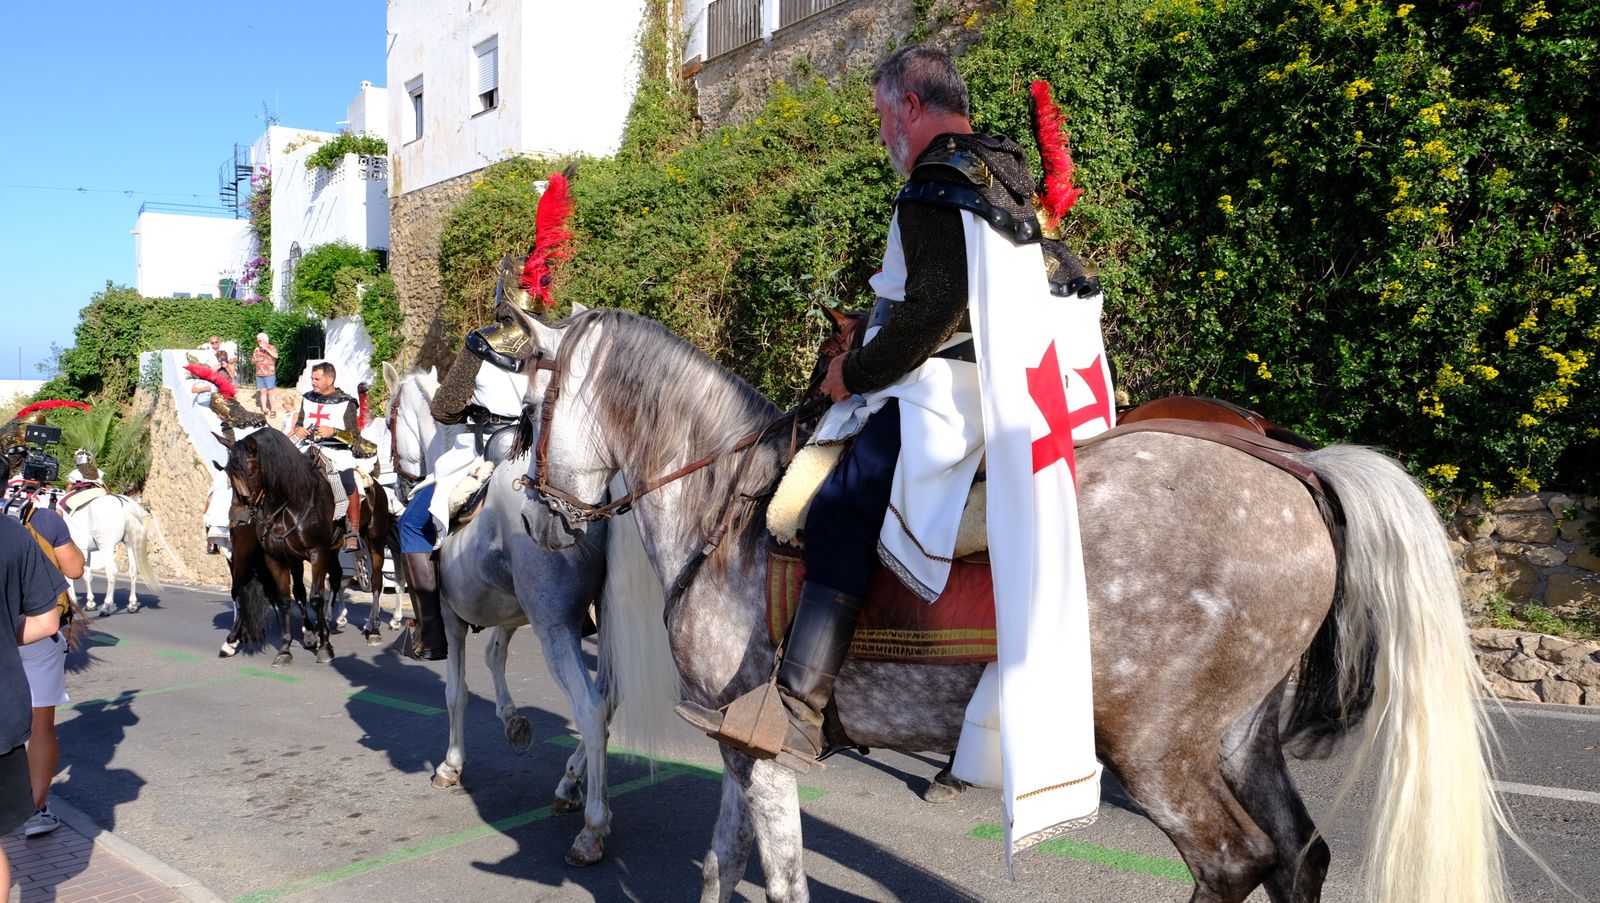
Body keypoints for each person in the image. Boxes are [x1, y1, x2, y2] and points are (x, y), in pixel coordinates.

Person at [677, 45, 1099, 773]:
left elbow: (930, 310)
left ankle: (802, 709)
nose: (880, 135)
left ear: (910, 105)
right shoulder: (1003, 173)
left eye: (881, 116)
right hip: (1017, 387)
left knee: (839, 501)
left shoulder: (938, 181)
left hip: (952, 395)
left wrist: (853, 371)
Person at [8, 489, 84, 837]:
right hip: (36, 631)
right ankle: (35, 811)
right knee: (41, 724)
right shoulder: (45, 518)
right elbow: (75, 568)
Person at [1, 500, 69, 889]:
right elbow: (48, 617)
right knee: (43, 725)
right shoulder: (27, 525)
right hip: (5, 701)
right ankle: (37, 809)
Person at [290, 362, 362, 550]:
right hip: (307, 446)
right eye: (312, 378)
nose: (312, 382)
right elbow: (299, 422)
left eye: (317, 379)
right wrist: (299, 430)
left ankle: (352, 530)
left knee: (347, 480)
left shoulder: (346, 402)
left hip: (335, 450)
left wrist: (333, 432)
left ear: (329, 380)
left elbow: (354, 436)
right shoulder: (307, 398)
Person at [253, 333, 279, 415]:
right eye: (257, 340)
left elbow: (276, 356)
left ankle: (273, 409)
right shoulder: (257, 349)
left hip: (269, 373)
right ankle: (264, 409)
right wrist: (254, 358)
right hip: (259, 373)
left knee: (270, 391)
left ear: (265, 340)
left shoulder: (272, 347)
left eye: (259, 340)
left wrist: (266, 349)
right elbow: (253, 361)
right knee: (262, 391)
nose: (258, 342)